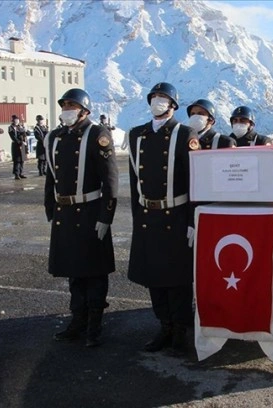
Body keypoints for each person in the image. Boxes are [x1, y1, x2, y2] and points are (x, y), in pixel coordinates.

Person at [127, 82, 200, 356]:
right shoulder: (137, 135)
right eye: (154, 97)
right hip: (148, 215)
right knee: (154, 275)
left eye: (163, 98)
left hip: (176, 214)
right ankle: (164, 326)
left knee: (177, 277)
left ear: (173, 105)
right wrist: (137, 215)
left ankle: (180, 329)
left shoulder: (185, 134)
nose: (157, 101)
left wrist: (193, 219)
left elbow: (196, 180)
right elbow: (135, 180)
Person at [44, 88, 118, 348]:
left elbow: (110, 179)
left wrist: (106, 216)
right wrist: (50, 209)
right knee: (74, 272)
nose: (67, 109)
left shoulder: (98, 134)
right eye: (64, 105)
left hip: (90, 211)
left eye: (72, 105)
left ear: (85, 110)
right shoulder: (55, 137)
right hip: (65, 212)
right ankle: (78, 319)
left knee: (94, 272)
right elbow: (51, 177)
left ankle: (95, 324)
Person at [9, 115, 28, 179]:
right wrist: (20, 142)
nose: (17, 121)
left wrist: (26, 130)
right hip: (16, 145)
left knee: (22, 160)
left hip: (22, 145)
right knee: (17, 160)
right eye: (15, 120)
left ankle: (21, 173)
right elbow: (13, 136)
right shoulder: (11, 127)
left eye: (17, 120)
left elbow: (27, 134)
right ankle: (16, 174)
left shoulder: (21, 126)